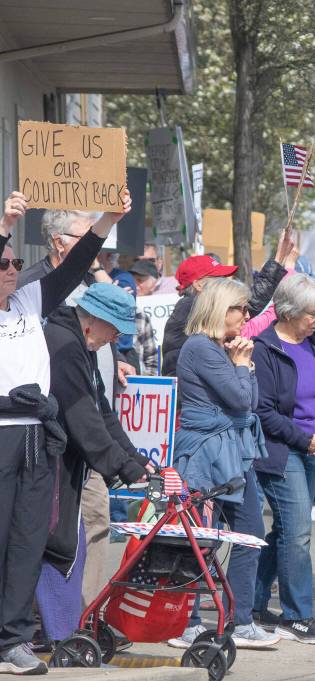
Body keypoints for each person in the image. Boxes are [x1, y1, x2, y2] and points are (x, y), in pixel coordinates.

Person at [0, 189, 129, 676]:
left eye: (15, 262)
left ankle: (12, 639)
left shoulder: (30, 301)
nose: (13, 268)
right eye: (3, 261)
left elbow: (75, 267)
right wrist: (7, 224)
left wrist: (109, 219)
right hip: (1, 429)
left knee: (28, 540)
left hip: (37, 436)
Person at [36, 283, 153, 644]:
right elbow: (83, 420)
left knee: (73, 542)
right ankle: (58, 629)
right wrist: (125, 469)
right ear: (93, 320)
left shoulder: (81, 342)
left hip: (70, 460)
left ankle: (72, 625)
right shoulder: (64, 343)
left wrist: (135, 460)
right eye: (114, 329)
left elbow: (102, 409)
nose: (116, 338)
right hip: (48, 460)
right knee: (59, 546)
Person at [170, 277, 279, 650]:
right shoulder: (200, 347)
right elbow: (240, 397)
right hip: (206, 453)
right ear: (220, 309)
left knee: (250, 534)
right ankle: (189, 622)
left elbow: (249, 400)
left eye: (249, 309)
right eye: (241, 309)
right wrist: (243, 365)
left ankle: (240, 618)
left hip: (235, 452)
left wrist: (243, 365)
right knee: (200, 540)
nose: (247, 316)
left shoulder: (225, 348)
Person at [250, 274, 315, 644]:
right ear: (287, 312)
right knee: (298, 533)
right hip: (281, 450)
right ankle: (297, 615)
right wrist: (308, 440)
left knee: (285, 530)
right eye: (312, 314)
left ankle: (251, 601)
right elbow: (264, 412)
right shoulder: (264, 349)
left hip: (313, 446)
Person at [161, 226, 293, 377]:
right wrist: (278, 259)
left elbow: (248, 306)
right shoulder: (190, 305)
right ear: (198, 285)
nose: (224, 284)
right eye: (218, 279)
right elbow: (252, 303)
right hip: (186, 397)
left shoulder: (194, 307)